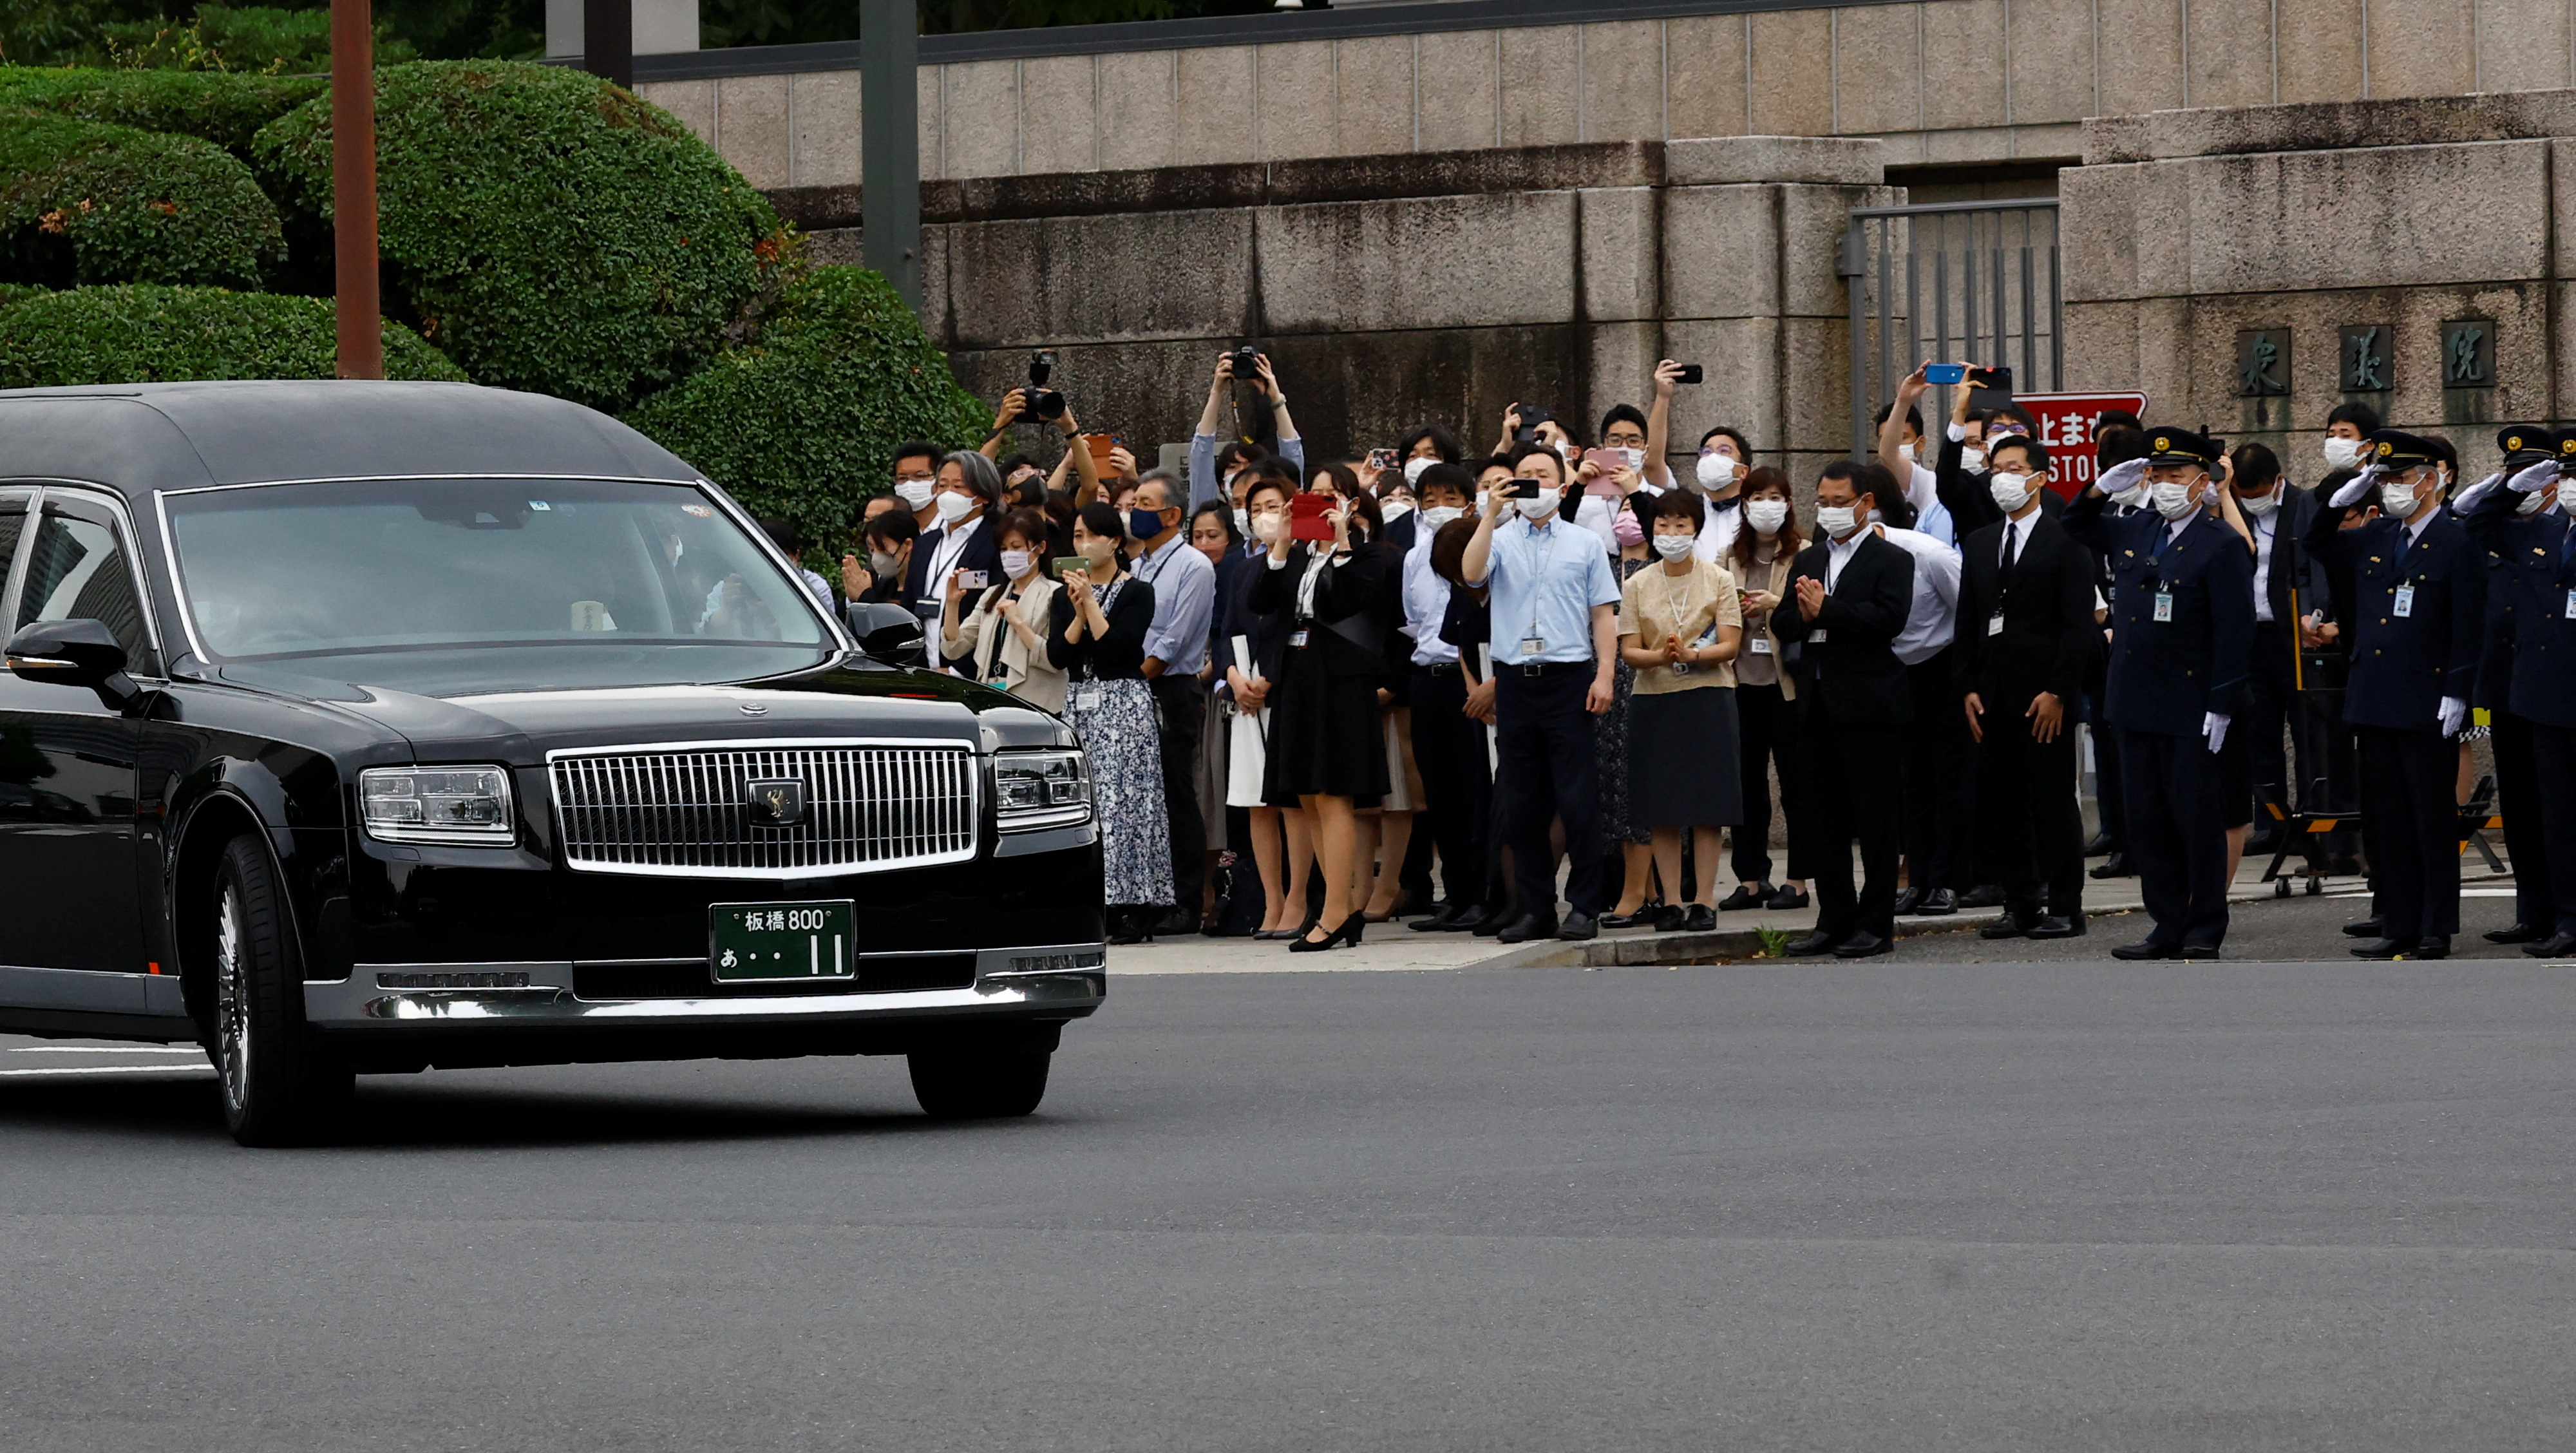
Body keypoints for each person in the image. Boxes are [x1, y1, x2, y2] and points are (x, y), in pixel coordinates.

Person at [2063, 428, 2255, 960]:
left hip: (2191, 704)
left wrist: (2221, 703)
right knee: (2149, 821)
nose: (2167, 485)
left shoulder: (2222, 545)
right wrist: (2101, 486)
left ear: (2202, 482)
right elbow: (2073, 524)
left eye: (2178, 476)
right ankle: (2166, 924)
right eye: (2159, 475)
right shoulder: (2137, 528)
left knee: (2195, 819)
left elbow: (2236, 634)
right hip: (2133, 699)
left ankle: (2203, 926)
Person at [2306, 430, 2486, 960]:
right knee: (2390, 817)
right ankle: (2399, 922)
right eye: (2383, 480)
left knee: (2431, 817)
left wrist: (2459, 692)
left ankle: (2435, 926)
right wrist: (2341, 496)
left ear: (2431, 480)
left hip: (2428, 697)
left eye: (2401, 479)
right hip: (2376, 694)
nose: (2391, 490)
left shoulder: (2458, 540)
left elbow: (2468, 625)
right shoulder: (2377, 535)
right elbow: (2319, 545)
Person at [1461, 441, 1625, 943]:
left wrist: (1604, 675)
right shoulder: (1500, 537)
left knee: (1577, 800)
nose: (1532, 482)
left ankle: (1584, 906)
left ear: (1561, 482)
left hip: (1569, 678)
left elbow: (1604, 614)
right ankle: (1535, 908)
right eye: (1523, 474)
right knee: (1522, 802)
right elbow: (1471, 574)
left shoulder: (1584, 543)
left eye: (1541, 473)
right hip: (1516, 681)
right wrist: (1490, 513)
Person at [1770, 462, 1917, 958]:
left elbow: (1889, 619)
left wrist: (1827, 611)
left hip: (1870, 706)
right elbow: (1784, 620)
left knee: (1876, 820)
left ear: (1866, 502)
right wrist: (1806, 613)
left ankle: (1876, 923)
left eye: (1840, 502)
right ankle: (1834, 917)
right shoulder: (1809, 558)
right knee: (1820, 817)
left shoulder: (1890, 558)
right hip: (1815, 703)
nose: (1830, 511)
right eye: (1824, 502)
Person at [1955, 437, 2094, 940]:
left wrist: (2059, 690)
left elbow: (2078, 626)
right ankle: (2020, 901)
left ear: (2039, 477)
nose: (2004, 477)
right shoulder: (1980, 541)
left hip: (2044, 698)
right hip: (1991, 695)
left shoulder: (2067, 541)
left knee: (2053, 802)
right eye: (1997, 468)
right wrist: (1967, 684)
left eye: (2015, 468)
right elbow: (1967, 619)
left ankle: (2065, 904)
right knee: (2000, 802)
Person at [1249, 470, 1393, 952]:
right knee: (1307, 794)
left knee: (1334, 795)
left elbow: (1350, 601)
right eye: (1313, 494)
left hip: (1341, 681)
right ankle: (1337, 906)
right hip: (1300, 675)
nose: (1320, 504)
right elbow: (1260, 601)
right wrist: (1284, 541)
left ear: (1352, 502)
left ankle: (1339, 908)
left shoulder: (1369, 556)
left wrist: (1342, 541)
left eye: (1330, 495)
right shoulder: (1297, 555)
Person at [2458, 427, 2576, 956]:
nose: (2567, 485)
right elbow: (2474, 522)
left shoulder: (2560, 532)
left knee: (2565, 813)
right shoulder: (2527, 532)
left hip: (2557, 689)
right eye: (2564, 474)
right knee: (2542, 813)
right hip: (2530, 689)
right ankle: (2545, 914)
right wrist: (2505, 486)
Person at [1616, 488, 1745, 931]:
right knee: (1662, 806)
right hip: (1655, 699)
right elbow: (1629, 651)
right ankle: (1671, 901)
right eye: (1663, 526)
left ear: (1695, 529)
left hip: (1709, 694)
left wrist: (1692, 656)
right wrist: (1664, 658)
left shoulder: (1718, 579)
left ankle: (1705, 899)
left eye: (1681, 525)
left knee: (1709, 805)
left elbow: (1731, 643)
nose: (1671, 533)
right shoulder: (1636, 584)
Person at [1047, 502, 1171, 944]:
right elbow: (1058, 657)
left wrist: (1093, 609)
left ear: (1114, 541)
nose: (1082, 545)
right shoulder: (1063, 595)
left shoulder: (1138, 592)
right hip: (1080, 701)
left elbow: (1119, 651)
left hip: (1122, 702)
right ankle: (1091, 901)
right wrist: (1079, 612)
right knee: (1088, 802)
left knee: (1129, 803)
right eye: (1076, 537)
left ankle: (1135, 905)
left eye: (1090, 536)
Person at [1217, 468, 1314, 940]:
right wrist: (1233, 678)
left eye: (1272, 507)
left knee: (1291, 803)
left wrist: (1270, 678)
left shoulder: (1304, 561)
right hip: (1244, 699)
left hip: (1285, 692)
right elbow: (1227, 631)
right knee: (1257, 804)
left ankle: (1298, 898)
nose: (1262, 517)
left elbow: (1293, 627)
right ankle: (1272, 902)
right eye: (1255, 509)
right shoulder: (1242, 569)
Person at [1122, 470, 1218, 936]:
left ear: (1172, 514)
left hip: (1171, 689)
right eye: (1134, 501)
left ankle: (1187, 900)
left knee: (1177, 794)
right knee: (1145, 798)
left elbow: (1174, 642)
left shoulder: (1194, 566)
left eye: (1144, 503)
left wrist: (1135, 681)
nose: (1134, 511)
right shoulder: (1139, 565)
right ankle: (1150, 899)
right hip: (1136, 687)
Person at [2218, 443, 2322, 862]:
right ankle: (2271, 823)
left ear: (2277, 481)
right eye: (2244, 494)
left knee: (2306, 731)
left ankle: (2312, 822)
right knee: (2260, 735)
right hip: (2251, 638)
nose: (2252, 500)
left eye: (2258, 491)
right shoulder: (2230, 506)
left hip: (2293, 637)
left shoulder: (2302, 506)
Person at [1401, 466, 1492, 930]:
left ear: (1470, 502)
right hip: (1427, 678)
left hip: (1472, 681)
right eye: (1429, 497)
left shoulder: (1487, 551)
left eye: (1450, 496)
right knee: (1439, 792)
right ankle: (1453, 895)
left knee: (1475, 788)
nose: (1439, 505)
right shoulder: (1415, 557)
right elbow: (1412, 619)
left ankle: (1483, 892)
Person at [1725, 468, 1811, 911]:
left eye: (1776, 496)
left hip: (1788, 685)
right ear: (1744, 502)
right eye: (1758, 496)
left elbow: (1813, 612)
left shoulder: (1806, 553)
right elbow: (1713, 614)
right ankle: (1750, 877)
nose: (1767, 504)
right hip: (1741, 681)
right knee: (1746, 785)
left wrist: (1775, 605)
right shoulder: (1729, 556)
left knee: (1796, 783)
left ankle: (1798, 879)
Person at [940, 508, 1067, 712]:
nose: (1009, 555)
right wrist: (953, 604)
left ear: (1040, 547)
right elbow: (954, 648)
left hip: (1037, 704)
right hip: (991, 698)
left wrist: (1017, 622)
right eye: (1003, 549)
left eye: (1016, 547)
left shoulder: (1056, 593)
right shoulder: (993, 595)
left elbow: (1053, 659)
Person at [904, 451, 1007, 649]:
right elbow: (910, 603)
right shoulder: (926, 543)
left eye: (958, 486)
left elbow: (994, 611)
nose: (948, 493)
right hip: (922, 665)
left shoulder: (998, 541)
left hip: (968, 667)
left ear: (984, 495)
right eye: (943, 486)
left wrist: (958, 669)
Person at [1189, 351, 1305, 509]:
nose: (1241, 474)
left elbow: (1292, 455)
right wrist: (1216, 392)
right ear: (1221, 484)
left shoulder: (1282, 517)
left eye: (1250, 466)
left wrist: (1276, 397)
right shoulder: (1213, 518)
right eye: (1232, 467)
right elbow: (1201, 454)